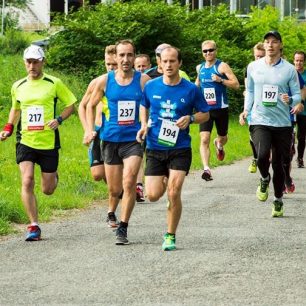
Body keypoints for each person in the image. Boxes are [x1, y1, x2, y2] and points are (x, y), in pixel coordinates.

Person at [137, 46, 209, 251]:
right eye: (164, 61)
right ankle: (166, 181)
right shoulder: (151, 86)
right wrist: (143, 124)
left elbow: (206, 114)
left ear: (179, 63)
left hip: (180, 147)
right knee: (152, 195)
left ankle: (170, 235)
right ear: (159, 63)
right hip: (155, 146)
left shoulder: (191, 89)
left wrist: (191, 118)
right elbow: (144, 105)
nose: (168, 65)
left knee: (174, 192)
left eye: (172, 61)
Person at [0, 45, 76, 240]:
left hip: (48, 141)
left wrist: (59, 119)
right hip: (25, 140)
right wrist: (8, 128)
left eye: (35, 61)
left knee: (47, 189)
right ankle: (33, 225)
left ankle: (53, 177)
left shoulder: (54, 83)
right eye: (28, 62)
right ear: (25, 63)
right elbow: (16, 109)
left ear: (43, 62)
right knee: (27, 180)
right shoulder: (18, 86)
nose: (32, 65)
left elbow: (71, 105)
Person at [85, 39, 150, 245]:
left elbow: (154, 103)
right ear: (116, 57)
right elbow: (89, 105)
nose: (125, 59)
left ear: (134, 56)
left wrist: (147, 124)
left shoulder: (143, 80)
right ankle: (112, 209)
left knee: (129, 181)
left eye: (129, 55)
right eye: (121, 55)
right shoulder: (105, 81)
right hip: (111, 139)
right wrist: (89, 130)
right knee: (115, 189)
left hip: (134, 139)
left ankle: (123, 227)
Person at [240, 31, 301, 217]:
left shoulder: (289, 69)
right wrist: (246, 110)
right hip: (259, 120)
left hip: (282, 123)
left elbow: (298, 96)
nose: (270, 45)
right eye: (267, 42)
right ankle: (264, 178)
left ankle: (278, 200)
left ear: (280, 45)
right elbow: (249, 90)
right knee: (262, 154)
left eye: (274, 42)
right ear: (264, 45)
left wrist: (290, 99)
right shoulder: (253, 67)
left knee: (280, 164)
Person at [78, 45, 122, 227]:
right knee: (97, 175)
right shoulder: (98, 82)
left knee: (113, 175)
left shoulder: (123, 82)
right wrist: (87, 129)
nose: (111, 68)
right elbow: (82, 106)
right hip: (98, 132)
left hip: (115, 134)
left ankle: (114, 201)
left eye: (113, 64)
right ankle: (117, 189)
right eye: (107, 64)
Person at [196, 40, 240, 181]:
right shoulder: (200, 68)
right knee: (204, 138)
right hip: (205, 110)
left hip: (220, 109)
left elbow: (236, 85)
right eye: (205, 51)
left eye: (211, 50)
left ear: (216, 50)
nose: (208, 53)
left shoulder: (222, 66)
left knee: (223, 137)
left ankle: (219, 144)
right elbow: (196, 85)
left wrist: (221, 80)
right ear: (202, 53)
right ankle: (207, 169)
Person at [242, 43, 266, 173]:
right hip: (253, 106)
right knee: (253, 134)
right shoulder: (250, 68)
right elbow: (248, 89)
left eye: (261, 56)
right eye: (257, 56)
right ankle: (256, 157)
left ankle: (264, 158)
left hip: (269, 108)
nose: (259, 59)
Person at [134, 54, 152, 202]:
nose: (140, 69)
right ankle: (138, 186)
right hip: (134, 125)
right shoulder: (128, 80)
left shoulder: (150, 82)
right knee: (139, 154)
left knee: (148, 154)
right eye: (138, 66)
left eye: (143, 66)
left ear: (149, 66)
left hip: (150, 124)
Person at [294, 51, 306, 168]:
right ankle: (289, 151)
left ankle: (300, 158)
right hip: (290, 110)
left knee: (301, 136)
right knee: (289, 134)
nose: (298, 62)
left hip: (304, 111)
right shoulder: (289, 73)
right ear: (294, 60)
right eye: (297, 60)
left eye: (301, 60)